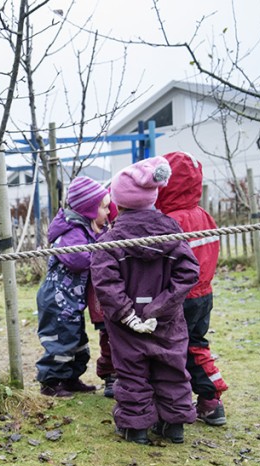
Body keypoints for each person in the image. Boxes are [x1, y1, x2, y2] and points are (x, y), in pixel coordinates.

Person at [91, 157, 199, 444]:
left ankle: (135, 428)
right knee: (171, 368)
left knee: (131, 373)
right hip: (167, 321)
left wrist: (129, 315)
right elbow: (188, 272)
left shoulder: (110, 241)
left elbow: (105, 282)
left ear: (119, 202)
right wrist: (161, 308)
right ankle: (174, 425)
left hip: (128, 325)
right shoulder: (172, 231)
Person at [155, 152, 228, 426]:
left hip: (180, 297)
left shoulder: (171, 222)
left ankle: (186, 400)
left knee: (174, 348)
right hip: (204, 294)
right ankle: (210, 401)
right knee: (195, 345)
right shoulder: (204, 216)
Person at [35, 176, 112, 397]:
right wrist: (100, 250)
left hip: (71, 302)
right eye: (104, 208)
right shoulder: (71, 232)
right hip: (57, 300)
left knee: (78, 342)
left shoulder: (86, 230)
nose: (108, 213)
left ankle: (70, 378)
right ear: (89, 209)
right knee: (61, 342)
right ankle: (50, 382)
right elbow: (78, 260)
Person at [86, 199, 120, 398]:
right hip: (101, 301)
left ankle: (122, 375)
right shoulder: (98, 235)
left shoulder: (117, 235)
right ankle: (110, 376)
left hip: (119, 299)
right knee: (107, 340)